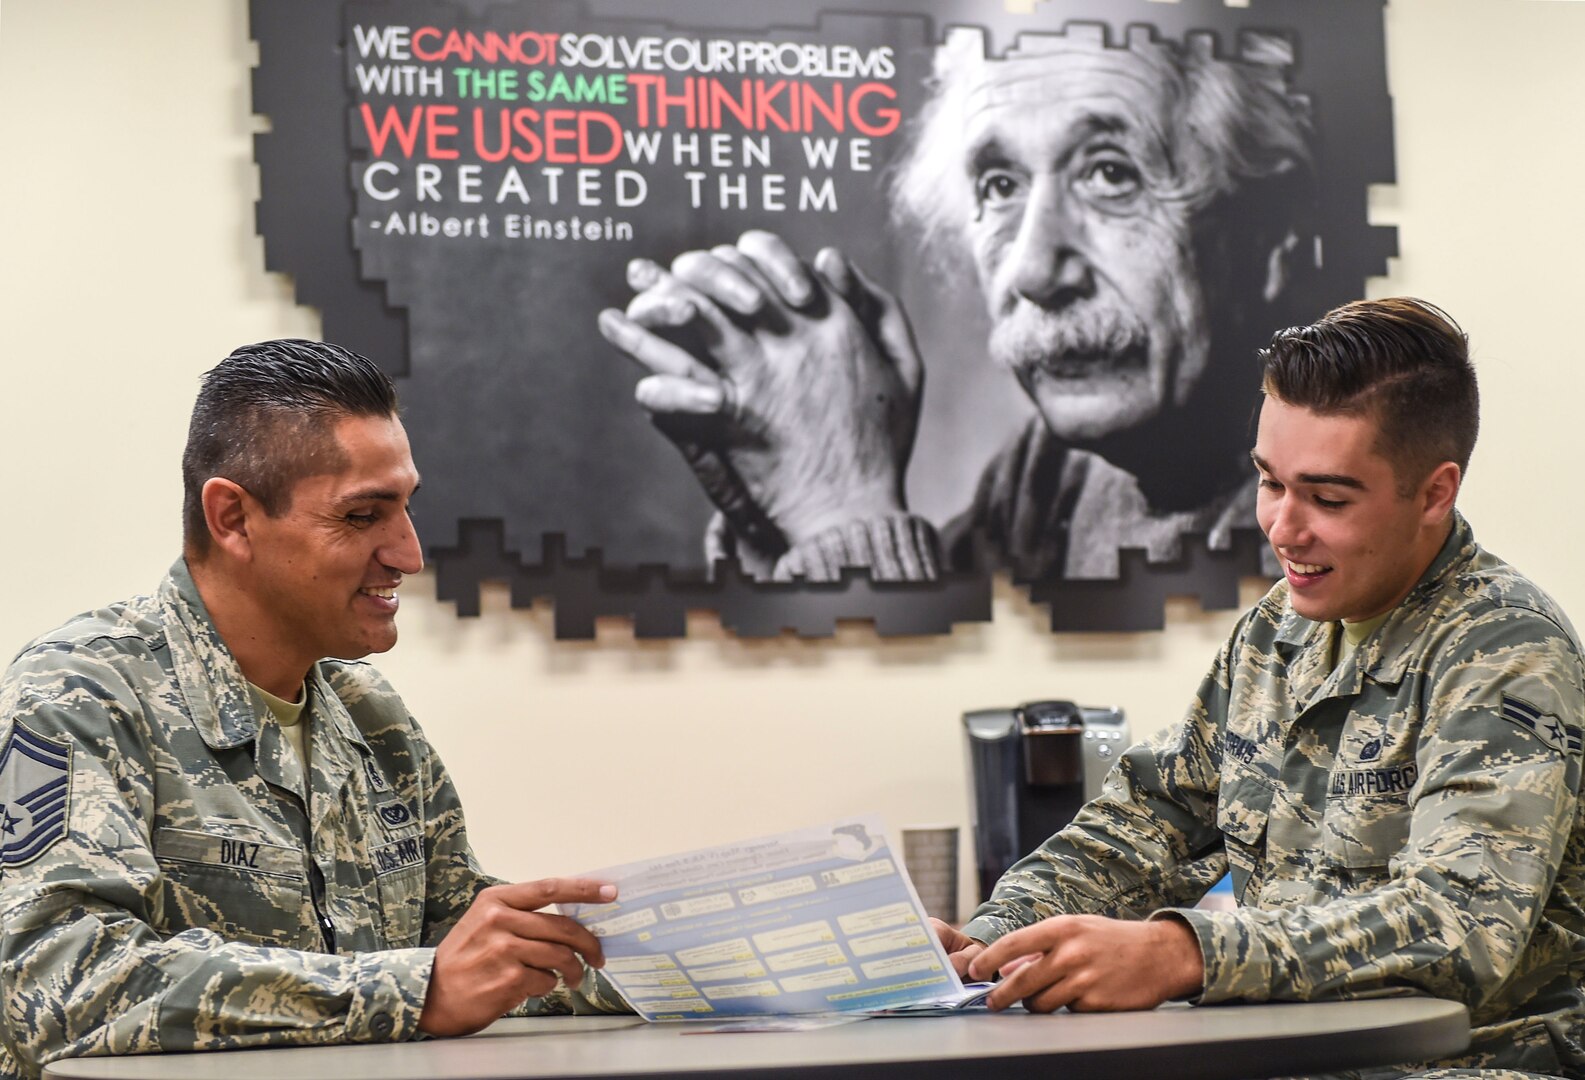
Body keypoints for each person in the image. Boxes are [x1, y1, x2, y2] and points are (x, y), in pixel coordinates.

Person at [933, 298, 1585, 1077]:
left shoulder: (1504, 647)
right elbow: (1148, 819)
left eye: (1327, 498)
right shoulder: (1276, 632)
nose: (1281, 527)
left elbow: (1460, 919)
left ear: (1434, 493)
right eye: (1268, 482)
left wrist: (1185, 954)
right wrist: (993, 941)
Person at [0, 341, 627, 1079]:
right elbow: (55, 985)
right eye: (363, 516)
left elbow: (463, 952)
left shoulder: (370, 718)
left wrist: (677, 964)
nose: (408, 554)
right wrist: (413, 991)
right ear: (233, 518)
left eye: (405, 509)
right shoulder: (77, 696)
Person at [597, 25, 1314, 582]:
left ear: (1268, 238)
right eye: (999, 185)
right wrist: (780, 503)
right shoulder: (1048, 474)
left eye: (1109, 174)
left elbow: (910, 736)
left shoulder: (1323, 514)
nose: (1033, 270)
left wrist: (843, 504)